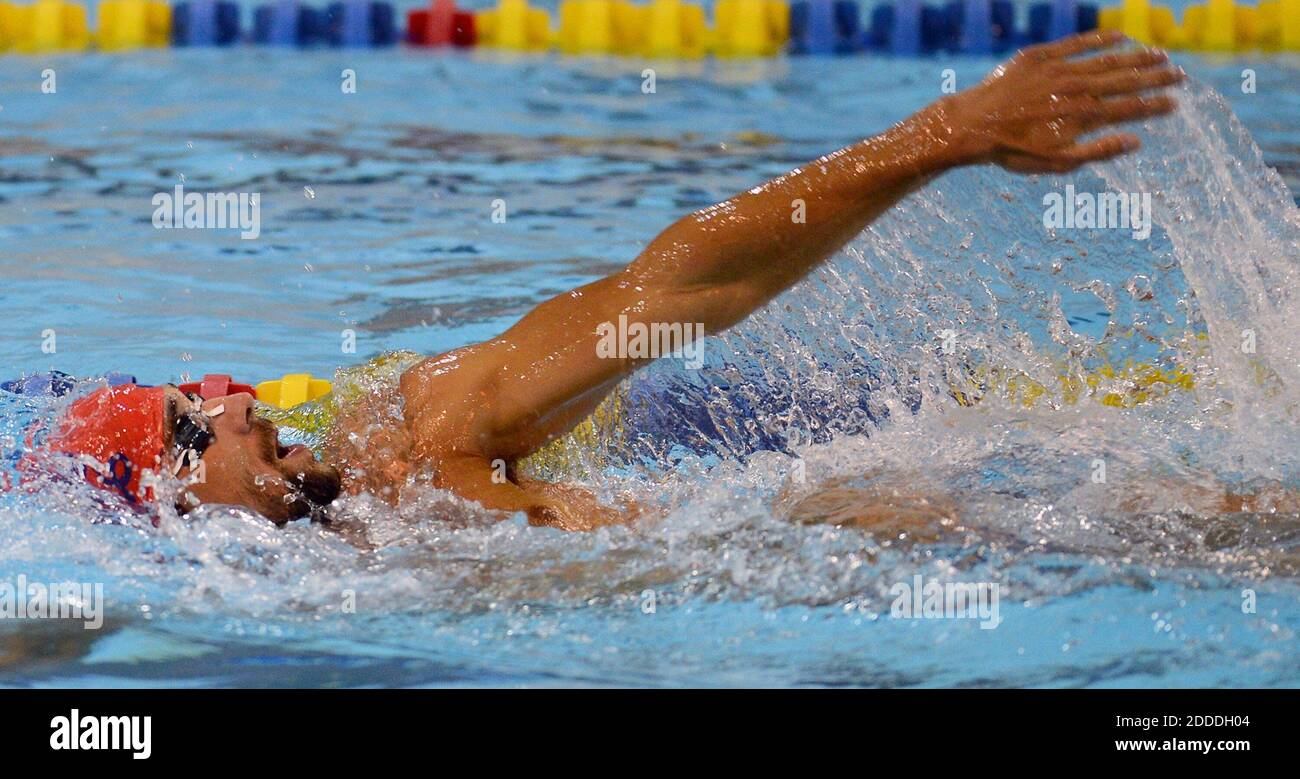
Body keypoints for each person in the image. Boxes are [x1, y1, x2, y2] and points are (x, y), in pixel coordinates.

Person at [25, 31, 1186, 531]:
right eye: (192, 422)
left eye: (214, 389)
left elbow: (676, 289)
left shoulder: (418, 430)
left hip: (763, 420)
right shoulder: (353, 533)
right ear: (171, 509)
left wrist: (939, 136)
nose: (239, 404)